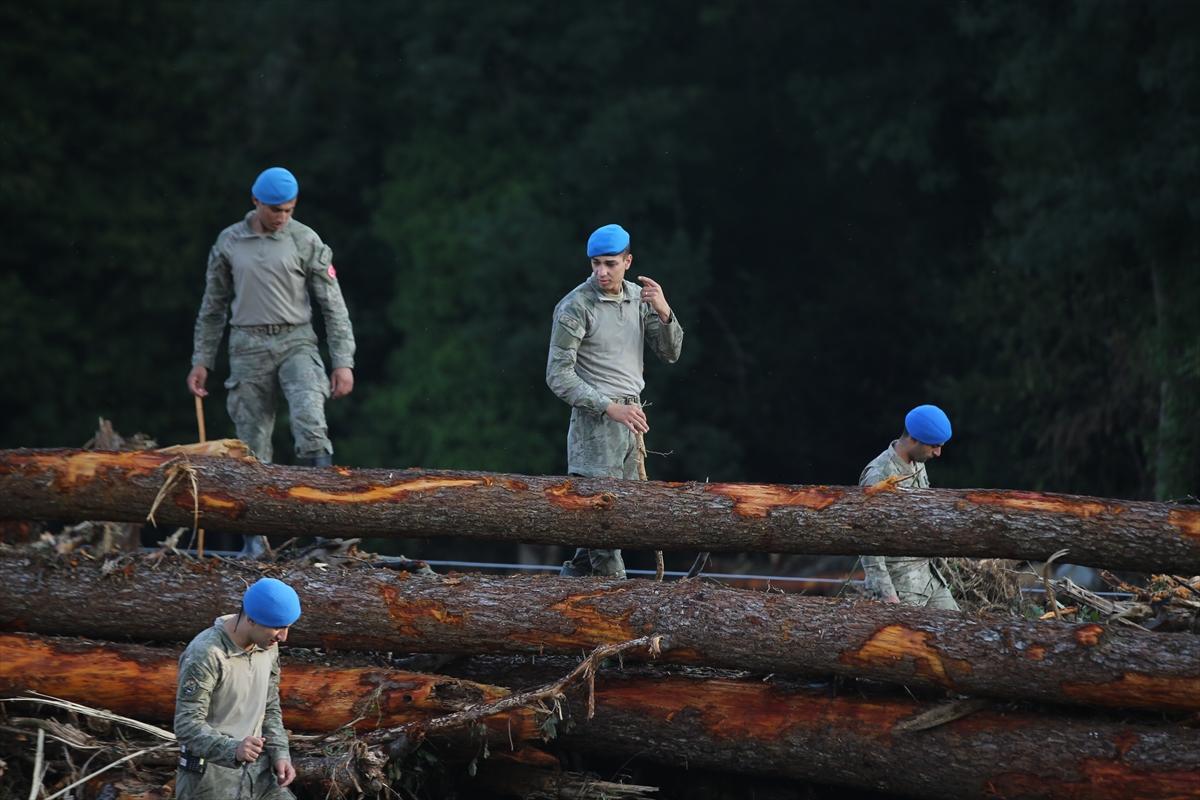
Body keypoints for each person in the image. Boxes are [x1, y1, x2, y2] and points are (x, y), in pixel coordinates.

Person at [186, 167, 356, 557]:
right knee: (250, 442)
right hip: (247, 343)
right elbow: (212, 307)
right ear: (256, 202)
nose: (282, 217)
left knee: (311, 421)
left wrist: (342, 361)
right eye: (276, 210)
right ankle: (254, 538)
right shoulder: (230, 242)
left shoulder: (304, 239)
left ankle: (322, 529)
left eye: (290, 210)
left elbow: (333, 304)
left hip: (296, 338)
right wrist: (202, 360)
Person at [546, 224, 684, 578]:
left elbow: (670, 353)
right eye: (595, 264)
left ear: (628, 261)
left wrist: (665, 312)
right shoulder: (575, 306)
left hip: (632, 418)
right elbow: (557, 375)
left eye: (609, 263)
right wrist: (608, 407)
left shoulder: (639, 298)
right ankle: (618, 607)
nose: (601, 272)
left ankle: (568, 589)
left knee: (613, 522)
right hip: (596, 422)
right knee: (603, 524)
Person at [173, 578, 302, 800]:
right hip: (209, 782)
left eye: (287, 627)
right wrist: (233, 749)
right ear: (250, 619)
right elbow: (186, 725)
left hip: (260, 776)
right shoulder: (206, 653)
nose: (283, 637)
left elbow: (269, 705)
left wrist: (281, 753)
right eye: (277, 627)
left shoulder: (268, 646)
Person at [858, 404, 960, 610]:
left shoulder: (918, 464)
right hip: (901, 587)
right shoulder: (879, 475)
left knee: (962, 634)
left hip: (930, 579)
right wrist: (886, 593)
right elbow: (867, 540)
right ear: (913, 439)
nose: (938, 453)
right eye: (933, 446)